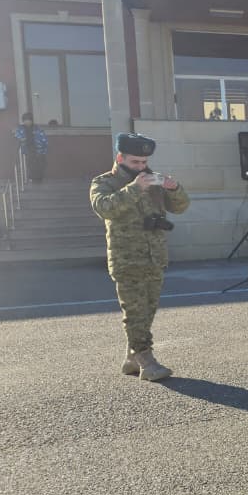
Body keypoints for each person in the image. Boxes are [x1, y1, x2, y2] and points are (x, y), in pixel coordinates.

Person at [89, 133, 190, 382]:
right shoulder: (105, 182)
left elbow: (180, 206)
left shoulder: (152, 179)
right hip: (127, 259)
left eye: (144, 162)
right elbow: (105, 208)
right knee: (134, 312)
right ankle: (147, 361)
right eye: (136, 162)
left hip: (154, 256)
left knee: (147, 312)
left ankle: (131, 359)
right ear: (120, 157)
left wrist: (174, 188)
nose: (142, 167)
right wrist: (134, 189)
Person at [14, 112, 48, 183]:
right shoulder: (20, 129)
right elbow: (17, 137)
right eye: (25, 120)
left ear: (32, 120)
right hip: (26, 150)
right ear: (23, 121)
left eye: (29, 120)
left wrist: (43, 149)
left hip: (37, 150)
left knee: (39, 165)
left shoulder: (37, 128)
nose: (27, 121)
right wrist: (22, 139)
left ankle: (38, 180)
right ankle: (30, 179)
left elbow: (44, 139)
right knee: (28, 165)